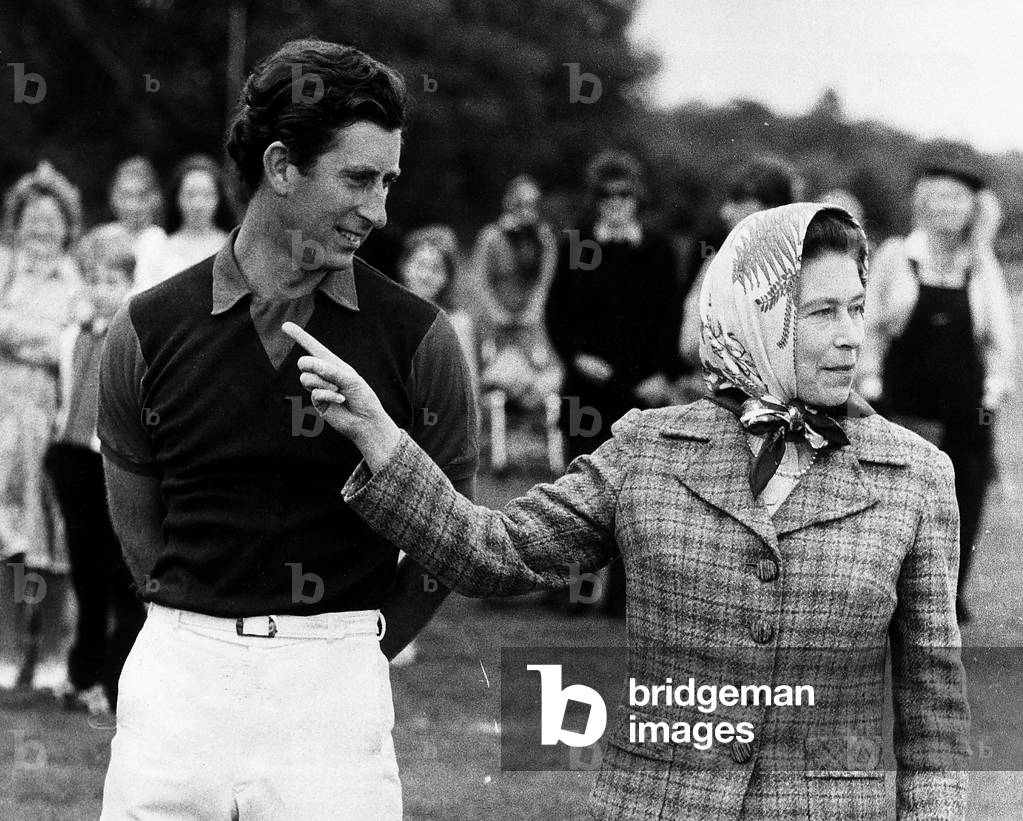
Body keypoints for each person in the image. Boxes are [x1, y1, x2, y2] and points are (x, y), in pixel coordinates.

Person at [288, 203, 968, 820]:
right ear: (755, 313)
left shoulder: (916, 476)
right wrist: (381, 435)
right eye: (822, 312)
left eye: (855, 307)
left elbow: (931, 708)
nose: (851, 335)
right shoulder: (648, 447)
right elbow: (495, 551)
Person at [96, 39, 478, 820]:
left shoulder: (419, 337)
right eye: (359, 179)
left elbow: (451, 532)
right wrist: (197, 626)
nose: (379, 211)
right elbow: (139, 530)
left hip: (336, 694)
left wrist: (349, 648)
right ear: (280, 166)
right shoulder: (143, 329)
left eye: (389, 182)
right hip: (177, 685)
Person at [857, 162, 1015, 623]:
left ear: (973, 209)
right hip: (903, 404)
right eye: (937, 196)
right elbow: (869, 326)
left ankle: (945, 600)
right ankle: (887, 602)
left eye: (957, 198)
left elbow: (1000, 340)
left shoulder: (981, 264)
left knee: (963, 503)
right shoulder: (895, 255)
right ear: (921, 203)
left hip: (967, 408)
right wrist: (869, 381)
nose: (946, 207)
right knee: (897, 506)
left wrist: (992, 392)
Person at [545, 150, 681, 613]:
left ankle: (622, 601)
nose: (616, 203)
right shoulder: (577, 243)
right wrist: (578, 357)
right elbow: (556, 312)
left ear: (637, 196)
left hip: (642, 392)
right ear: (595, 199)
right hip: (586, 388)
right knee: (580, 492)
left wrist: (658, 375)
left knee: (635, 496)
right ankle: (574, 594)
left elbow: (672, 316)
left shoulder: (659, 250)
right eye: (606, 195)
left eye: (624, 194)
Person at [45, 224, 146, 715]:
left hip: (114, 461)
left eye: (112, 280)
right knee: (85, 572)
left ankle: (115, 679)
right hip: (71, 458)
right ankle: (81, 671)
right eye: (93, 280)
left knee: (121, 572)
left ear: (129, 283)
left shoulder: (137, 335)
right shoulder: (71, 336)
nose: (102, 291)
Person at [0, 161, 82, 686]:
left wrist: (16, 335)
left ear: (67, 225)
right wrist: (38, 339)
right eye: (34, 219)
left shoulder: (76, 277)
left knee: (53, 539)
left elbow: (69, 345)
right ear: (18, 222)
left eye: (53, 219)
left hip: (53, 421)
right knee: (5, 537)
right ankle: (7, 652)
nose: (43, 228)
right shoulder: (3, 268)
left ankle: (53, 655)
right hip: (2, 420)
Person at [471, 175, 563, 472]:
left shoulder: (543, 236)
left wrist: (534, 309)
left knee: (544, 378)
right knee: (499, 379)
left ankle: (549, 454)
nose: (527, 208)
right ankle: (498, 454)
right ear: (508, 202)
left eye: (532, 203)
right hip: (497, 328)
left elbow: (546, 280)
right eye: (521, 202)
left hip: (531, 327)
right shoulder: (491, 236)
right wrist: (496, 312)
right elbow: (480, 281)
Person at [679, 156, 800, 373]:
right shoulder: (715, 266)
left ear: (772, 206)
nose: (724, 212)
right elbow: (690, 345)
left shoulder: (809, 268)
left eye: (738, 200)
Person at [138, 153, 235, 289]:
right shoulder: (158, 245)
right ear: (176, 197)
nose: (198, 204)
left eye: (207, 195)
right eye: (190, 195)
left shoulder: (232, 247)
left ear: (219, 198)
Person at [106, 156, 167, 290]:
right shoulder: (101, 239)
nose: (132, 206)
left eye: (141, 196)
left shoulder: (163, 242)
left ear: (155, 198)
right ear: (114, 196)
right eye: (126, 195)